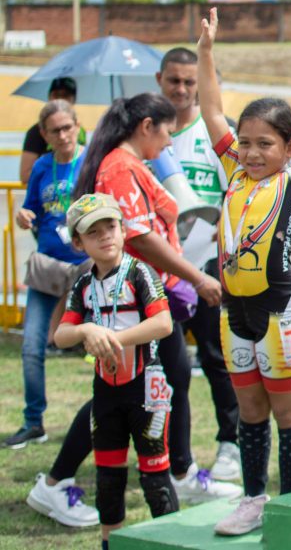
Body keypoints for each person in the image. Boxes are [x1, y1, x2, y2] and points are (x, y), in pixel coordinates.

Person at [197, 7, 291, 535]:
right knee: (248, 412)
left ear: (289, 149)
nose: (252, 152)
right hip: (236, 313)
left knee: (287, 413)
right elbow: (212, 112)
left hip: (280, 313)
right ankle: (254, 500)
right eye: (246, 142)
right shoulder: (234, 170)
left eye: (265, 144)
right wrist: (208, 51)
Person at [71, 92, 240, 503]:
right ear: (147, 126)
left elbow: (166, 218)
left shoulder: (131, 164)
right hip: (133, 299)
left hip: (146, 293)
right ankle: (59, 479)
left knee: (169, 379)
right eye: (165, 133)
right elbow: (142, 239)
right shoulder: (119, 169)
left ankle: (178, 469)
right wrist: (196, 278)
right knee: (119, 392)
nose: (169, 144)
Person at [54, 193, 177, 550]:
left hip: (145, 390)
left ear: (123, 230)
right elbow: (61, 336)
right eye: (94, 232)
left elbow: (164, 323)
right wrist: (85, 330)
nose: (105, 236)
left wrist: (112, 337)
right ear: (79, 242)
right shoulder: (83, 284)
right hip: (105, 392)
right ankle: (109, 544)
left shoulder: (140, 272)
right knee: (108, 480)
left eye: (111, 226)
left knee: (155, 480)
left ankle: (171, 542)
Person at [160, 46, 242, 480]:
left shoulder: (217, 134)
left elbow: (238, 191)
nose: (182, 88)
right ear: (160, 80)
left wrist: (224, 232)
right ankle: (173, 453)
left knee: (216, 357)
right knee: (168, 367)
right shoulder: (148, 131)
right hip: (158, 270)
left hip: (207, 266)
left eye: (190, 81)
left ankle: (230, 444)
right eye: (174, 80)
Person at [5, 101, 90, 450]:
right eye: (55, 131)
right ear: (44, 135)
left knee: (105, 347)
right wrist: (24, 215)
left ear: (77, 126)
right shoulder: (42, 166)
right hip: (46, 266)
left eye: (68, 128)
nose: (63, 135)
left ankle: (108, 420)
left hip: (88, 269)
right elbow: (32, 209)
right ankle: (33, 422)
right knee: (31, 346)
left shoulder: (91, 161)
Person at [20, 77, 88, 185]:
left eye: (65, 95)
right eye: (56, 95)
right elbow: (25, 174)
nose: (60, 99)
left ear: (73, 99)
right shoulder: (35, 132)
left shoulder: (82, 131)